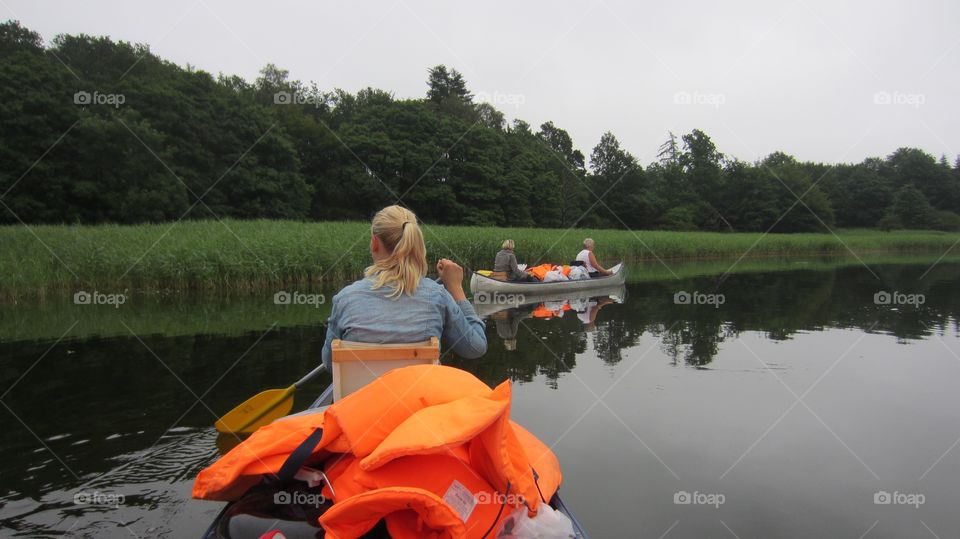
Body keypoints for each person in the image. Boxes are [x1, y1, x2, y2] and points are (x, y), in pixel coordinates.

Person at [320, 205, 487, 370]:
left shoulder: (345, 299)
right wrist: (456, 288)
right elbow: (476, 348)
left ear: (374, 243)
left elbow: (329, 364)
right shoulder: (437, 296)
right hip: (418, 396)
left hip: (364, 397)